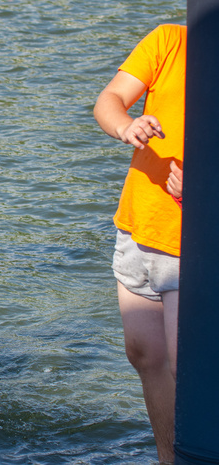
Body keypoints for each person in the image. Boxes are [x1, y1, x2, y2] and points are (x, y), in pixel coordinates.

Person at [93, 24, 185, 464]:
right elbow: (108, 101)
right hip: (138, 227)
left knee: (185, 364)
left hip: (192, 243)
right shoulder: (170, 40)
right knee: (145, 354)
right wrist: (126, 126)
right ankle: (168, 459)